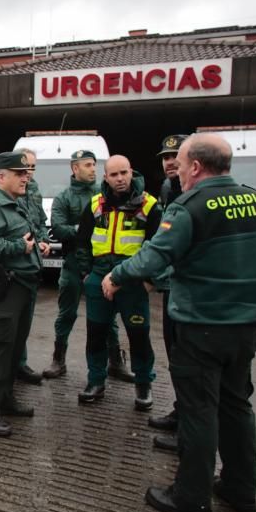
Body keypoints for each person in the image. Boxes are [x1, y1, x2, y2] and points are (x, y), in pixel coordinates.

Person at [102, 133, 256, 512]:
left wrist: (117, 275)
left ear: (197, 167)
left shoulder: (190, 207)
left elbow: (154, 256)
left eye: (182, 164)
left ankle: (191, 498)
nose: (178, 171)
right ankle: (240, 490)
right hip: (247, 328)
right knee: (237, 406)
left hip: (202, 327)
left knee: (199, 411)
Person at [0, 151, 51, 436]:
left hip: (23, 285)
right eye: (19, 173)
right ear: (1, 176)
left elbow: (23, 233)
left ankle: (5, 399)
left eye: (26, 173)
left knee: (14, 349)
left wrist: (36, 244)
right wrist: (18, 247)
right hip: (4, 288)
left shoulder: (15, 202)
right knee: (2, 350)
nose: (25, 178)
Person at [76, 155, 161, 410]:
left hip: (132, 281)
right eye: (114, 175)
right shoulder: (95, 204)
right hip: (98, 277)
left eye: (124, 173)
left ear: (131, 172)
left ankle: (143, 384)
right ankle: (95, 381)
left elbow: (158, 248)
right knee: (96, 334)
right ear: (106, 177)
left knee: (139, 336)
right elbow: (82, 242)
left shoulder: (149, 205)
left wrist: (149, 280)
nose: (120, 178)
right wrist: (86, 274)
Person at [43, 150, 130, 381]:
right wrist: (86, 229)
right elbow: (58, 228)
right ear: (75, 168)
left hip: (100, 265)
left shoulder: (105, 195)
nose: (93, 169)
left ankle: (116, 361)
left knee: (108, 315)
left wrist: (81, 230)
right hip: (72, 265)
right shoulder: (64, 198)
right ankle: (58, 359)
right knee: (66, 313)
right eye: (88, 165)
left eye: (94, 165)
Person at [148, 134, 189, 452]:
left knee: (188, 360)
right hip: (171, 288)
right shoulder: (168, 188)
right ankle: (181, 411)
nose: (170, 162)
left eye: (176, 156)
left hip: (190, 292)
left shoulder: (195, 194)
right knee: (175, 355)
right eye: (165, 157)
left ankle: (189, 429)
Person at [14, 148, 51, 385]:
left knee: (25, 320)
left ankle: (20, 364)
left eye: (33, 167)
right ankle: (11, 368)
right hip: (15, 265)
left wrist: (44, 239)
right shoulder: (8, 191)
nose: (29, 172)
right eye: (25, 166)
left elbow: (40, 221)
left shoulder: (34, 190)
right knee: (13, 322)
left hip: (33, 264)